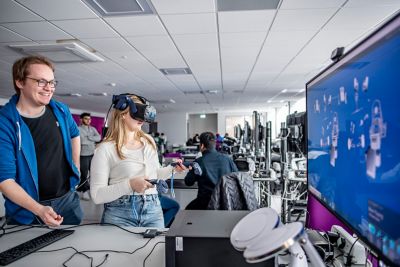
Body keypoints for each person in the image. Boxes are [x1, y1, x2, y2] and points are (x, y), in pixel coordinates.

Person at [0, 56, 82, 226]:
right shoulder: (5, 123)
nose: (49, 88)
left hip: (68, 200)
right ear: (20, 82)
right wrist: (38, 209)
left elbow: (75, 134)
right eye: (41, 81)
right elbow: (5, 180)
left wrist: (76, 166)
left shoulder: (60, 109)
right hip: (27, 210)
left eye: (52, 82)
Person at [90, 94, 184, 227]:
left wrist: (173, 169)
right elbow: (97, 195)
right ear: (122, 114)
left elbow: (155, 175)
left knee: (155, 248)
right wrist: (130, 185)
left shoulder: (148, 141)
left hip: (153, 209)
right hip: (119, 214)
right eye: (136, 112)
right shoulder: (105, 149)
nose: (142, 118)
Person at [184, 132, 238, 210]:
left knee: (188, 211)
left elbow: (188, 182)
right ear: (214, 144)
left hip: (205, 204)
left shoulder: (199, 162)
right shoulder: (227, 159)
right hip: (225, 203)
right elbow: (236, 177)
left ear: (202, 145)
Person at [78, 112, 101, 200]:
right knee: (84, 174)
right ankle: (84, 192)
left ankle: (92, 191)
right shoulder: (78, 129)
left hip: (92, 154)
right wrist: (92, 139)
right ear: (81, 120)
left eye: (89, 119)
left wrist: (89, 137)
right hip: (83, 155)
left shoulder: (92, 129)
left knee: (94, 173)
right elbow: (82, 141)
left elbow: (99, 138)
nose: (88, 120)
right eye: (86, 119)